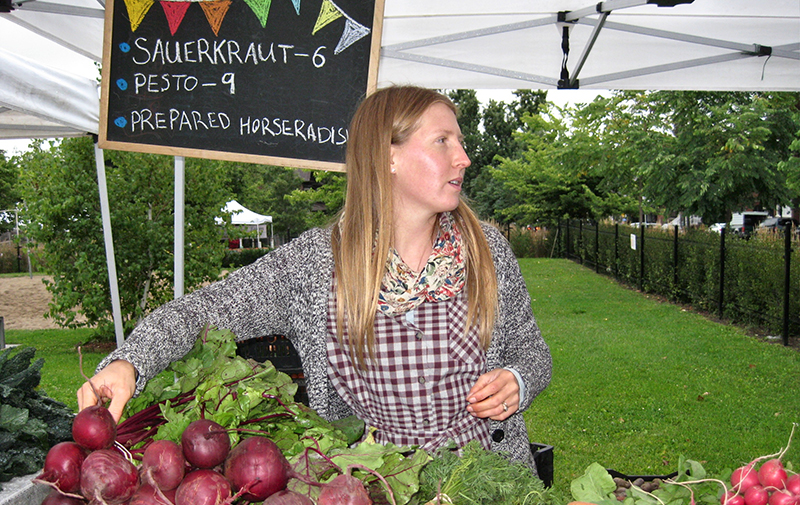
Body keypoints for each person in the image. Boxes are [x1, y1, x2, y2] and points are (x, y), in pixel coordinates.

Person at [77, 85, 551, 472]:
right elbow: (207, 309)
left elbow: (532, 352)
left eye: (460, 141)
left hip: (494, 484)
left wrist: (518, 378)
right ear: (387, 157)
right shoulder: (316, 263)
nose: (464, 157)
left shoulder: (487, 250)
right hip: (379, 498)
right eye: (443, 141)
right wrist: (130, 363)